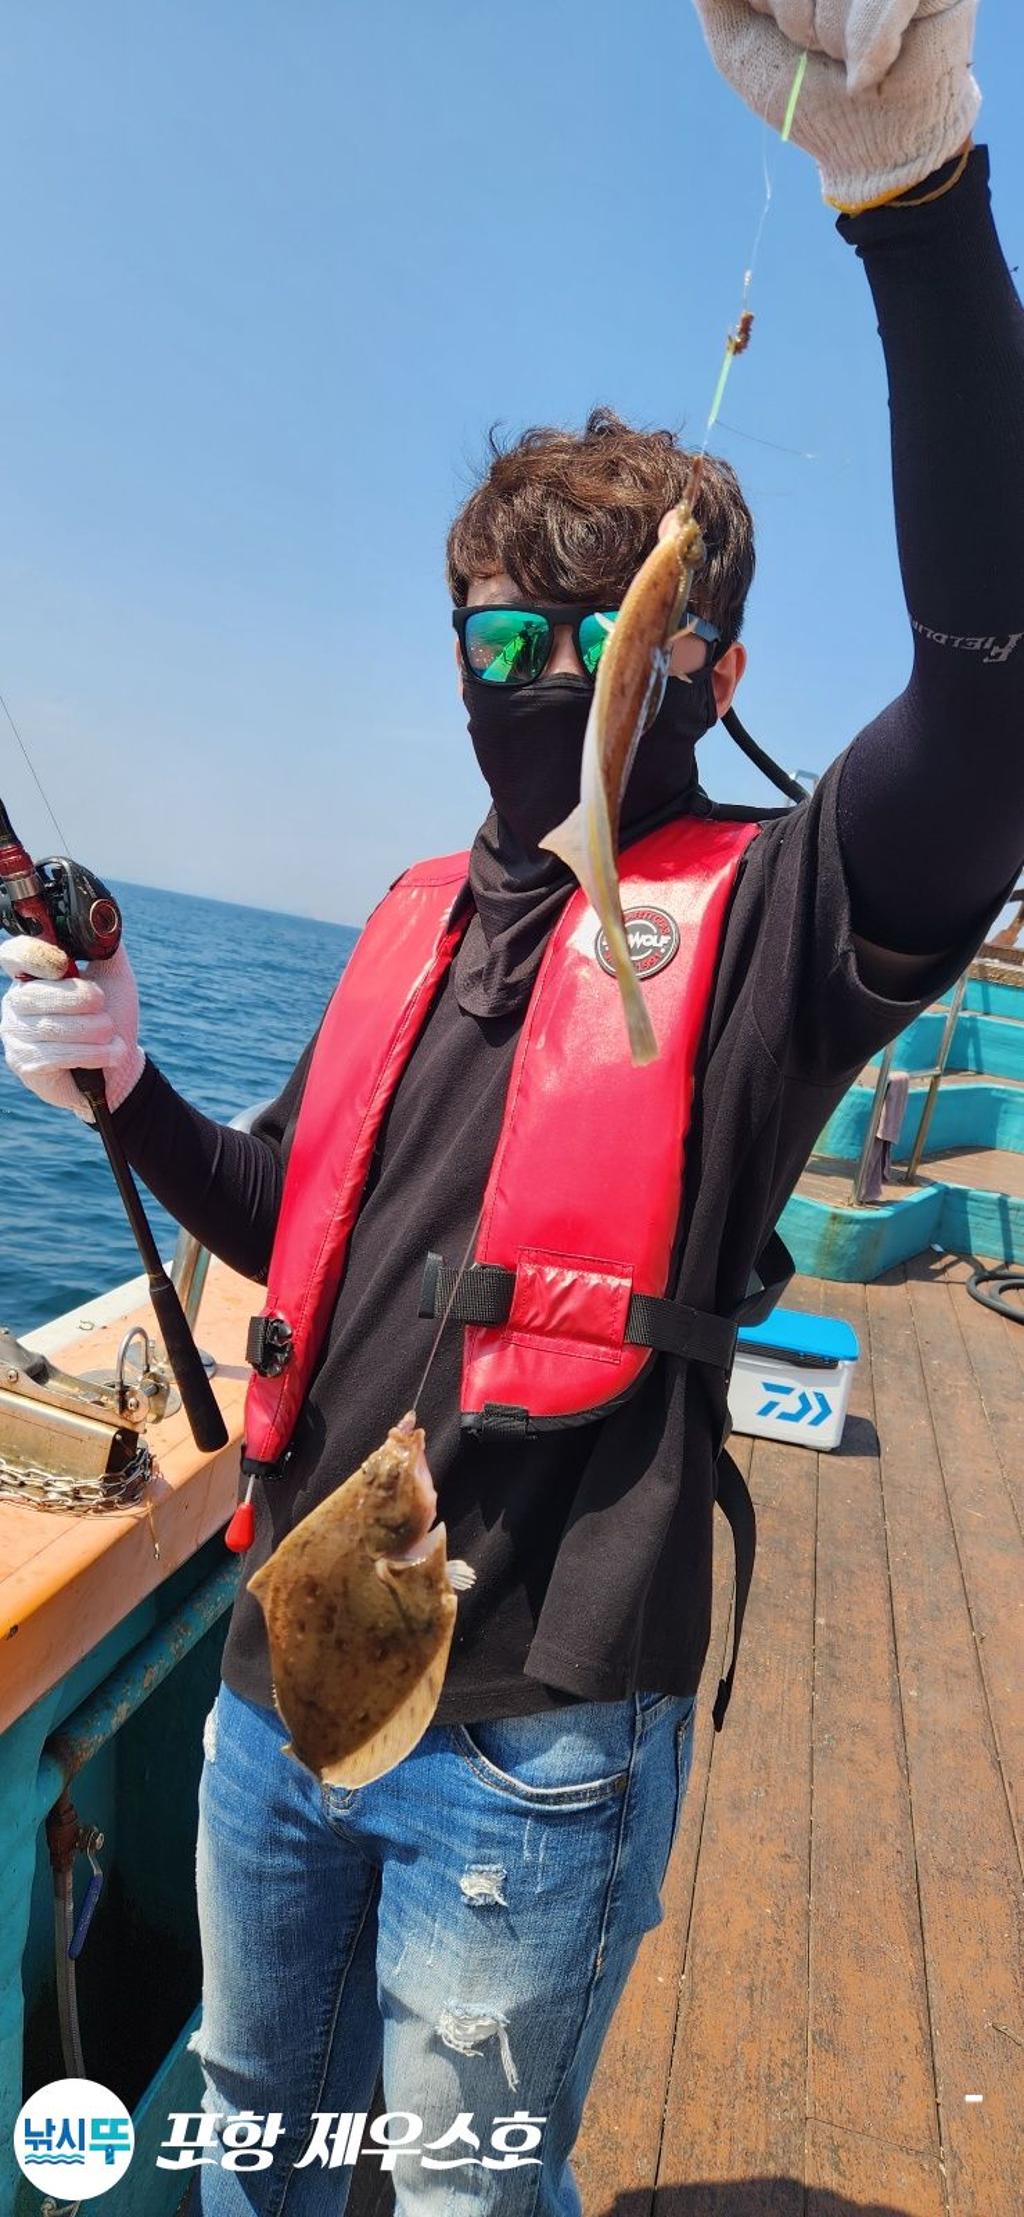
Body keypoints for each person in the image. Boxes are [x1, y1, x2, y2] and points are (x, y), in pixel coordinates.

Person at [3, 4, 1022, 2211]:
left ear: (708, 669)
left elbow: (986, 711)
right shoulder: (403, 921)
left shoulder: (769, 924)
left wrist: (911, 188)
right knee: (256, 2142)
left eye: (602, 638)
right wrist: (128, 1079)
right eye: (495, 642)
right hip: (279, 1677)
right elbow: (282, 1209)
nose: (545, 677)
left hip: (537, 1744)